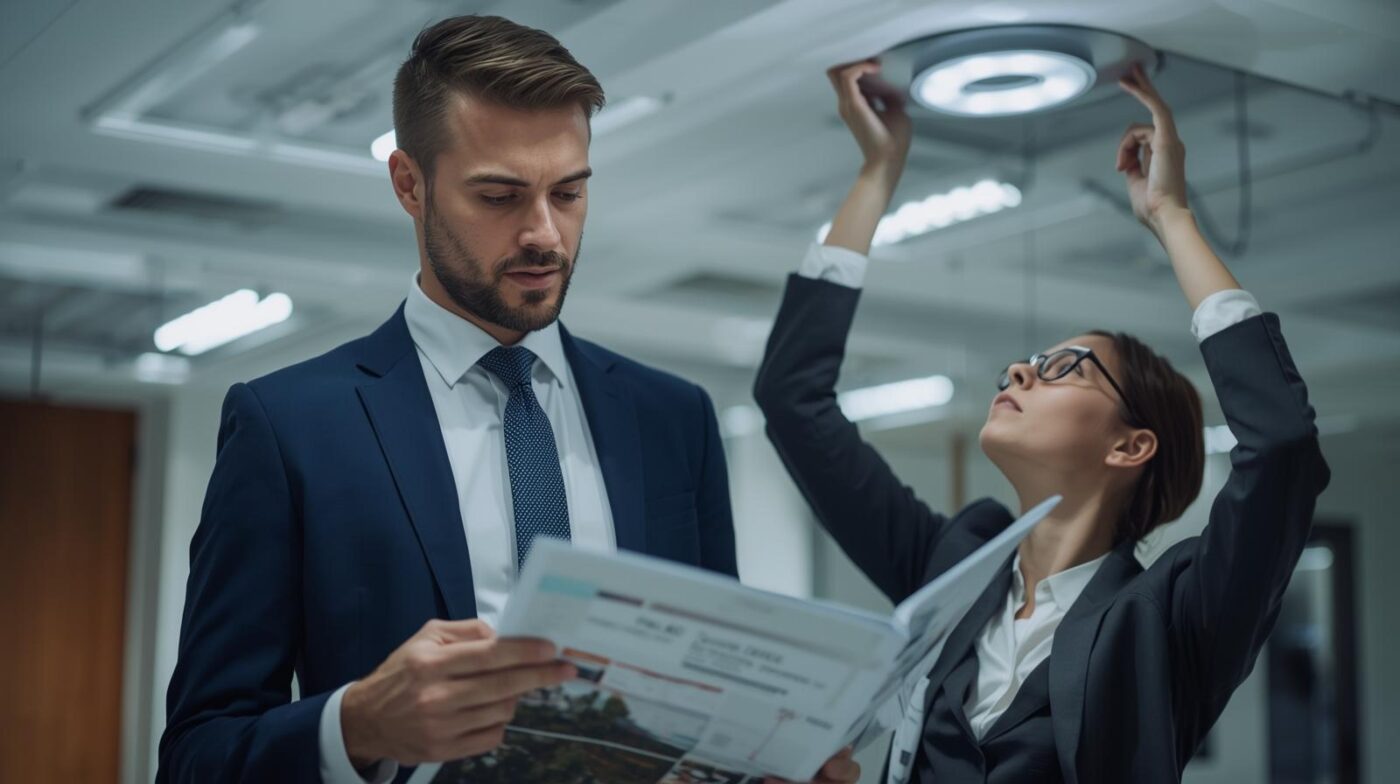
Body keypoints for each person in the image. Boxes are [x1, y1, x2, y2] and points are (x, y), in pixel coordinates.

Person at [158, 15, 816, 784]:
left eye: (568, 192)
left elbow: (708, 703)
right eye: (500, 196)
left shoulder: (674, 420)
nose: (545, 234)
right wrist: (357, 725)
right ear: (410, 184)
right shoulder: (290, 426)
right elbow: (199, 753)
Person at [752, 58, 1331, 784]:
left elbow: (1280, 445)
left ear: (1131, 444)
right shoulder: (956, 569)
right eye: (1026, 361)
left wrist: (1172, 216)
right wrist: (877, 173)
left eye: (1065, 369)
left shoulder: (1174, 614)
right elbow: (791, 401)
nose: (1020, 372)